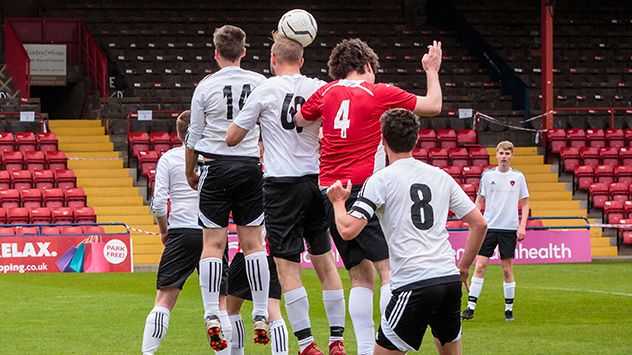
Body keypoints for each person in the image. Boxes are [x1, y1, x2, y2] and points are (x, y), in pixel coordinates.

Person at [293, 38, 443, 355]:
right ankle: (388, 346)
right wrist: (431, 71)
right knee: (389, 271)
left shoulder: (324, 92)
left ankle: (364, 349)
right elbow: (432, 106)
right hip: (365, 190)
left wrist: (325, 128)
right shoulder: (378, 93)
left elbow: (299, 120)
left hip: (330, 191)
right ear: (367, 67)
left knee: (360, 276)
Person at [327, 108, 487, 355]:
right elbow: (479, 223)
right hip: (447, 279)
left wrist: (338, 202)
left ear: (382, 139)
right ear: (417, 138)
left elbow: (348, 230)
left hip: (414, 282)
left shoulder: (380, 179)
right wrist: (464, 267)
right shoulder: (440, 175)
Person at [226, 32, 347, 355]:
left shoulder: (265, 89)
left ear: (273, 61)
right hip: (315, 181)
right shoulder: (320, 87)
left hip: (281, 185)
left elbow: (233, 137)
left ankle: (307, 344)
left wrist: (253, 126)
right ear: (303, 61)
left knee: (287, 268)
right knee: (324, 262)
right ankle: (337, 339)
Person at [185, 25, 270, 351]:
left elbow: (193, 135)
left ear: (216, 53)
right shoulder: (261, 83)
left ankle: (211, 315)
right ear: (244, 51)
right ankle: (260, 312)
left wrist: (190, 171)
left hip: (215, 167)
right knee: (253, 243)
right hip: (250, 167)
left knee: (213, 244)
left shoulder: (205, 87)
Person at [142, 111, 229, 354]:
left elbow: (159, 203)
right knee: (221, 302)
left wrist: (163, 231)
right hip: (213, 230)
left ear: (178, 133)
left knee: (164, 300)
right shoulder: (216, 156)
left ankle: (148, 353)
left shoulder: (169, 159)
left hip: (181, 231)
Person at [461, 141, 530, 322]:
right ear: (497, 155)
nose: (504, 156)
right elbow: (479, 200)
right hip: (489, 227)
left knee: (507, 269)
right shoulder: (487, 175)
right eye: (501, 153)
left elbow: (525, 203)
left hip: (508, 228)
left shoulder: (519, 177)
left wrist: (522, 226)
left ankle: (508, 310)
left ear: (512, 155)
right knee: (481, 266)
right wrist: (474, 221)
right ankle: (470, 308)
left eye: (507, 153)